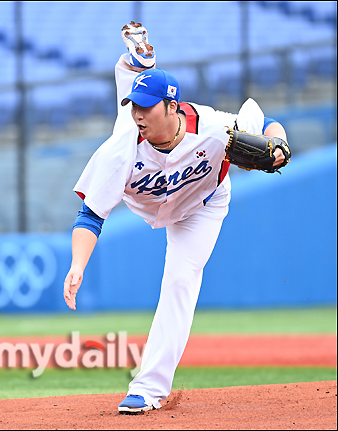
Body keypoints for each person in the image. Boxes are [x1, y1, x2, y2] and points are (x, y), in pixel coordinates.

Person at [63, 22, 289, 414]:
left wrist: (281, 144)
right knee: (126, 131)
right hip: (151, 196)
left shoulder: (215, 128)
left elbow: (265, 128)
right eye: (133, 105)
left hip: (203, 205)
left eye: (146, 106)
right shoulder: (121, 150)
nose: (138, 114)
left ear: (173, 106)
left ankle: (147, 389)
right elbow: (90, 215)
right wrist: (77, 265)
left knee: (180, 282)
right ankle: (134, 65)